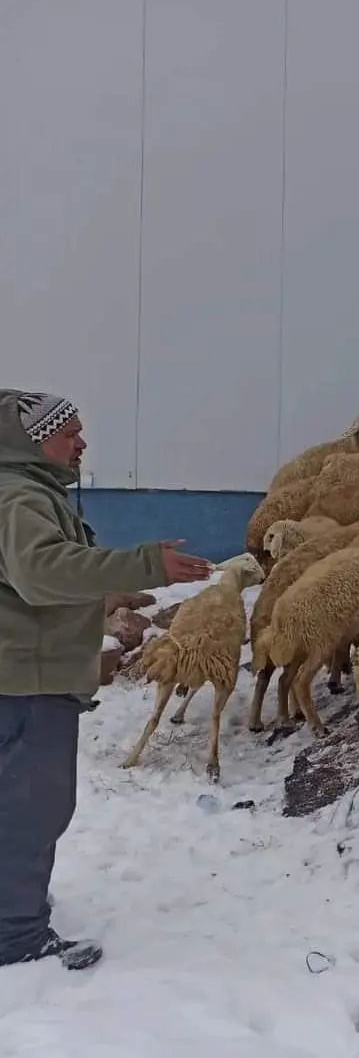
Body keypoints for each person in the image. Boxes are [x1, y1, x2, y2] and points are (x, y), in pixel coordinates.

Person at [0, 390, 212, 971]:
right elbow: (42, 573)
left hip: (21, 674)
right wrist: (144, 565)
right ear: (32, 439)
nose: (82, 443)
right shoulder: (18, 499)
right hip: (26, 680)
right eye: (69, 433)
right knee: (31, 809)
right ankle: (13, 937)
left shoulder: (27, 494)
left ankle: (8, 905)